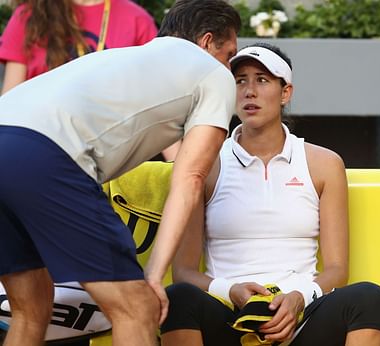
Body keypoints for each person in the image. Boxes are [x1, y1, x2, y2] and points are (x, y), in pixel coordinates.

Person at [0, 0, 240, 345]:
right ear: (206, 42)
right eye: (229, 53)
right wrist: (154, 277)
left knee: (30, 307)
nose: (230, 66)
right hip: (45, 153)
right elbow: (190, 177)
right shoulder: (212, 72)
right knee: (138, 307)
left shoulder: (121, 58)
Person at [160, 43, 380, 346]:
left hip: (302, 316)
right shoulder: (205, 163)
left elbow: (337, 269)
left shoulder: (324, 163)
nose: (249, 91)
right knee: (178, 298)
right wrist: (231, 291)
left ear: (285, 93)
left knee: (368, 297)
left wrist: (297, 299)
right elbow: (184, 271)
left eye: (262, 80)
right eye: (240, 80)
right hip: (230, 316)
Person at [0, 0, 158, 94]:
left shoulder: (137, 19)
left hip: (111, 139)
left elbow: (156, 98)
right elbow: (11, 97)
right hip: (43, 136)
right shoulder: (29, 16)